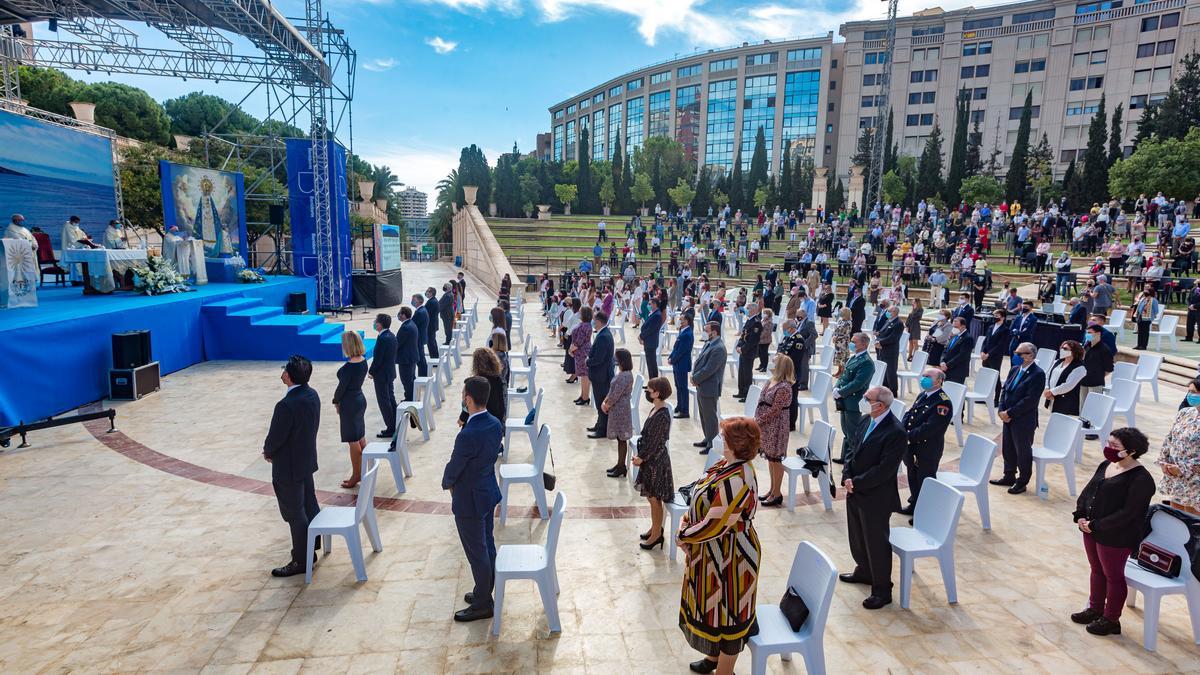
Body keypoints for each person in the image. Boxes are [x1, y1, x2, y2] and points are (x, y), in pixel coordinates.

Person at [678, 417, 761, 675]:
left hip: (732, 557)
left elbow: (715, 525)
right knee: (714, 610)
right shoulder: (725, 464)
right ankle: (713, 659)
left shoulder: (738, 479)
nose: (720, 439)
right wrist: (686, 521)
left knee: (731, 614)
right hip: (713, 553)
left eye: (724, 437)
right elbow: (698, 493)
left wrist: (684, 535)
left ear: (736, 444)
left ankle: (725, 671)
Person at [1071, 428, 1156, 636]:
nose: (1108, 449)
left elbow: (1128, 513)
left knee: (1113, 576)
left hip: (1116, 535)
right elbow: (1089, 491)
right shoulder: (1107, 465)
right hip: (1091, 529)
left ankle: (1111, 619)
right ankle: (1095, 608)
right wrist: (1080, 514)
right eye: (1108, 443)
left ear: (1131, 451)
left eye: (1115, 446)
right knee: (1096, 570)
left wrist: (1096, 525)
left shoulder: (1141, 479)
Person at [442, 376, 504, 622]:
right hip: (487, 491)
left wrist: (447, 482)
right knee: (486, 544)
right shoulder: (495, 423)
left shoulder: (468, 434)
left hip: (469, 498)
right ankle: (484, 589)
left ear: (468, 399)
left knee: (476, 551)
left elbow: (455, 466)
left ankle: (482, 603)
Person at [840, 386, 906, 610]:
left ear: (880, 405)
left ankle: (882, 589)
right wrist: (847, 475)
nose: (863, 400)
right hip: (855, 489)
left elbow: (885, 470)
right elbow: (851, 447)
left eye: (867, 398)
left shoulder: (895, 431)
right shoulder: (865, 420)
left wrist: (857, 482)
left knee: (876, 543)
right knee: (857, 537)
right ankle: (864, 571)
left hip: (876, 496)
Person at [263, 355, 321, 577]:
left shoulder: (286, 405)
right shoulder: (312, 395)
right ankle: (312, 545)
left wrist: (269, 452)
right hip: (306, 460)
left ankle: (301, 559)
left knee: (294, 513)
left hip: (288, 466)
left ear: (287, 375)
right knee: (308, 503)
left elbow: (276, 436)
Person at [991, 342, 1046, 494]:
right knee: (1007, 448)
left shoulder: (1038, 374)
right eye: (1015, 352)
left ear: (1030, 356)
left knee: (1022, 451)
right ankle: (1009, 475)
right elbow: (1005, 390)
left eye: (1019, 353)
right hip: (1007, 416)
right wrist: (1001, 409)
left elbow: (1030, 400)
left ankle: (1022, 481)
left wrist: (1010, 413)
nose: (1016, 356)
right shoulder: (1015, 369)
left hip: (1023, 420)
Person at [901, 369, 954, 517]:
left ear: (938, 381)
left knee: (925, 480)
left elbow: (931, 428)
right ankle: (915, 504)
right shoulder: (923, 395)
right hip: (912, 445)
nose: (924, 379)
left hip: (927, 448)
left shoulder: (943, 402)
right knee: (912, 475)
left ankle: (925, 513)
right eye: (923, 376)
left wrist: (908, 436)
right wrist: (902, 430)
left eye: (928, 377)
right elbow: (910, 414)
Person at [634, 376, 675, 549]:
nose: (647, 393)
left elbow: (654, 442)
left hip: (656, 462)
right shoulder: (655, 408)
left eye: (649, 391)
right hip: (651, 461)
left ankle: (657, 534)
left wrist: (641, 457)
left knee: (655, 498)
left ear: (657, 393)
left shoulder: (662, 415)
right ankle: (655, 527)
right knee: (652, 498)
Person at [755, 355, 795, 507]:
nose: (771, 362)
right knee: (770, 458)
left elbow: (776, 410)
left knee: (776, 459)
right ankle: (772, 489)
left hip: (776, 426)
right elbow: (762, 401)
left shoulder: (784, 387)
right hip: (766, 425)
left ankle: (777, 493)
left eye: (774, 362)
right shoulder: (771, 380)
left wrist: (760, 420)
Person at [333, 332, 369, 489]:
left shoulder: (349, 367)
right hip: (359, 399)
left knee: (352, 440)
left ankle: (356, 474)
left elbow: (341, 388)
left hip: (350, 403)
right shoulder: (363, 361)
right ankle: (365, 470)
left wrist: (336, 401)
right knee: (360, 436)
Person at [832, 333, 874, 463]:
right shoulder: (854, 358)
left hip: (853, 401)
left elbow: (858, 383)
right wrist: (837, 387)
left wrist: (841, 392)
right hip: (844, 399)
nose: (851, 343)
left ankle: (853, 461)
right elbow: (844, 375)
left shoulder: (866, 362)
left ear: (864, 344)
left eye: (854, 342)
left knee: (853, 433)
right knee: (846, 431)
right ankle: (845, 457)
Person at [691, 321, 727, 454]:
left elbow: (709, 369)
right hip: (702, 385)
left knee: (710, 417)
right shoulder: (709, 343)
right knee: (704, 415)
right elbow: (700, 362)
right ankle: (707, 438)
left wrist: (696, 378)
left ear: (714, 331)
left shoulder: (719, 348)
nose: (704, 332)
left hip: (709, 387)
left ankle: (712, 443)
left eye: (706, 330)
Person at [1158, 401, 1200, 514]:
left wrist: (1183, 468)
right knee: (1175, 513)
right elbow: (1170, 437)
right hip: (1175, 474)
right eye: (1190, 391)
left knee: (1193, 518)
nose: (1192, 395)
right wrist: (1163, 461)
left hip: (1195, 477)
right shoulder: (1185, 412)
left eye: (1195, 392)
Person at [602, 348, 636, 477]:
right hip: (617, 409)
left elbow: (616, 394)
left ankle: (622, 466)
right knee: (619, 438)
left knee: (622, 438)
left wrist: (607, 405)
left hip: (620, 410)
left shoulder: (625, 375)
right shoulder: (622, 373)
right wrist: (605, 401)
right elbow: (612, 391)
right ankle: (619, 464)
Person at [458, 348, 507, 424]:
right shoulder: (499, 379)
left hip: (480, 421)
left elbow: (467, 406)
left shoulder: (476, 382)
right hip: (497, 420)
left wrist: (461, 419)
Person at [587, 311, 616, 438]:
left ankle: (602, 430)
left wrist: (587, 362)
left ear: (598, 321)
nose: (593, 322)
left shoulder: (604, 336)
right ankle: (600, 424)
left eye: (594, 320)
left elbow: (599, 358)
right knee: (600, 402)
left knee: (601, 403)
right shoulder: (603, 333)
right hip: (601, 374)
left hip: (601, 375)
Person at [369, 314, 398, 438]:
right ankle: (395, 423)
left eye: (376, 321)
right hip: (389, 372)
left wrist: (371, 371)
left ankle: (390, 428)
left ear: (380, 324)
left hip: (382, 375)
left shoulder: (383, 338)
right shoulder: (391, 336)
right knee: (390, 398)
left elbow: (378, 359)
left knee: (384, 402)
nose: (374, 323)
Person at [1044, 340, 1086, 416]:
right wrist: (1047, 388)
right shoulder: (1058, 362)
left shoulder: (1080, 367)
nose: (1062, 350)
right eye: (1062, 348)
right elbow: (1048, 376)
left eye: (1065, 349)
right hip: (1052, 398)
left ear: (1074, 351)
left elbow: (1068, 385)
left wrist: (1052, 392)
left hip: (1066, 402)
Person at [735, 303, 763, 401]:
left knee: (747, 374)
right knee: (741, 372)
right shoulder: (749, 320)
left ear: (754, 310)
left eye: (748, 308)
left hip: (749, 352)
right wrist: (738, 346)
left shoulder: (756, 322)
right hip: (743, 351)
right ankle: (741, 391)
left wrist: (743, 349)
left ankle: (747, 395)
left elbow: (753, 341)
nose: (746, 309)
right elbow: (743, 335)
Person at [1080, 324, 1115, 404]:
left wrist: (1097, 375)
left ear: (1098, 334)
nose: (1087, 335)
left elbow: (1109, 368)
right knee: (1082, 407)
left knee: (1093, 406)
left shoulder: (1104, 349)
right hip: (1083, 381)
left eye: (1090, 333)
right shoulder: (1086, 346)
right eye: (1087, 333)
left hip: (1096, 383)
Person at [669, 312, 694, 419]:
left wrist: (673, 359)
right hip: (677, 363)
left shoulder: (688, 334)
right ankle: (680, 406)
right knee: (678, 386)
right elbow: (676, 347)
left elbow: (682, 351)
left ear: (687, 321)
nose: (680, 320)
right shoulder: (682, 331)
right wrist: (670, 356)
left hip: (681, 364)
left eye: (682, 319)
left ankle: (685, 411)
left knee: (683, 387)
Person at [874, 304, 903, 394]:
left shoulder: (898, 323)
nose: (887, 313)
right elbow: (882, 333)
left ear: (894, 312)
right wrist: (878, 339)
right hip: (882, 349)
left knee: (891, 372)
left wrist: (880, 342)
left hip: (890, 351)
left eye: (889, 311)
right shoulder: (888, 321)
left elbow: (893, 338)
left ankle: (893, 392)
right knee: (884, 372)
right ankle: (885, 389)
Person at [569, 306, 594, 405]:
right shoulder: (584, 325)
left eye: (580, 312)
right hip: (580, 352)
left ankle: (585, 397)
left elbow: (579, 341)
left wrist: (571, 349)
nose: (578, 313)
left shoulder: (585, 326)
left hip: (583, 353)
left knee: (585, 376)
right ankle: (583, 395)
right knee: (583, 376)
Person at [395, 306, 419, 402]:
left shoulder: (405, 327)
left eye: (400, 314)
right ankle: (411, 397)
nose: (398, 316)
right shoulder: (411, 323)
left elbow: (398, 343)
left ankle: (409, 399)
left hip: (406, 359)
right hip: (411, 357)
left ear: (404, 315)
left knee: (407, 381)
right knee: (411, 379)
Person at [940, 317, 972, 384]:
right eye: (953, 326)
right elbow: (946, 350)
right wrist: (942, 361)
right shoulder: (955, 336)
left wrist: (947, 365)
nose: (954, 328)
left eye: (956, 326)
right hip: (947, 368)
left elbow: (962, 355)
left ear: (963, 326)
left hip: (958, 371)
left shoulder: (968, 338)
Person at [794, 309, 818, 390]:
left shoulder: (809, 322)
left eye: (798, 315)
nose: (797, 316)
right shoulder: (800, 322)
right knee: (798, 365)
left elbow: (814, 335)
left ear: (803, 315)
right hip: (799, 348)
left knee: (804, 366)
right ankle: (798, 382)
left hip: (806, 349)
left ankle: (803, 384)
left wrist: (805, 344)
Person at [641, 297, 664, 378]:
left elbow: (650, 329)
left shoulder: (657, 315)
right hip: (648, 341)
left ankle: (654, 384)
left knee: (652, 364)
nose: (649, 305)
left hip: (651, 342)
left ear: (655, 304)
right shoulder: (653, 313)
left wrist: (641, 336)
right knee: (650, 364)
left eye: (650, 304)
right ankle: (651, 383)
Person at [1009, 301, 1038, 365]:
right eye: (1022, 307)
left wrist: (1017, 332)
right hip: (1014, 342)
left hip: (1025, 342)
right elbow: (1011, 329)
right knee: (1013, 362)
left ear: (1030, 308)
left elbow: (1028, 331)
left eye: (1025, 307)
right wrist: (1017, 333)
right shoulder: (1018, 317)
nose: (1023, 308)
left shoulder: (1033, 319)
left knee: (1021, 363)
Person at [1131, 286, 1160, 350]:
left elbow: (1156, 310)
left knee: (1145, 332)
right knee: (1140, 331)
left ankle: (1144, 345)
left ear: (1150, 292)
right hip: (1140, 316)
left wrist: (1151, 315)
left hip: (1147, 318)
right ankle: (1139, 344)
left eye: (1147, 291)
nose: (1145, 292)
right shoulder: (1143, 299)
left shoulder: (1154, 300)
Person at [411, 294, 429, 377]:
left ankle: (423, 375)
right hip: (421, 337)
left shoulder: (420, 312)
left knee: (420, 359)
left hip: (418, 339)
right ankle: (423, 374)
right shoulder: (421, 310)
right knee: (421, 358)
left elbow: (412, 325)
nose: (412, 302)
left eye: (413, 300)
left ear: (418, 301)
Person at [832, 307, 853, 375]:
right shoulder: (840, 320)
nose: (840, 313)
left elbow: (845, 333)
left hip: (843, 342)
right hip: (837, 342)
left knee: (843, 357)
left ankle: (842, 372)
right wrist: (834, 336)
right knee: (838, 356)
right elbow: (836, 329)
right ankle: (839, 370)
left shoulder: (848, 322)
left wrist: (836, 337)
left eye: (841, 312)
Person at [756, 307, 774, 372]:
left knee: (764, 353)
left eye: (765, 313)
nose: (763, 314)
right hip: (761, 340)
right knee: (760, 353)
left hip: (765, 340)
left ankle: (765, 366)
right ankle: (761, 365)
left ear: (768, 314)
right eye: (763, 313)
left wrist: (758, 337)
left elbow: (766, 332)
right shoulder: (763, 320)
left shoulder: (769, 322)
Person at [424, 287, 440, 359]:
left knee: (431, 343)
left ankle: (434, 359)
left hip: (431, 326)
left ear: (431, 293)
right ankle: (434, 357)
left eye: (428, 291)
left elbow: (427, 314)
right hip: (432, 325)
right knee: (432, 342)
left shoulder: (432, 302)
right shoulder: (432, 300)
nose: (426, 293)